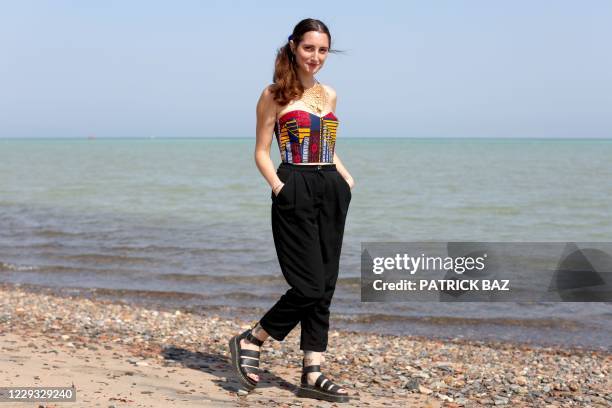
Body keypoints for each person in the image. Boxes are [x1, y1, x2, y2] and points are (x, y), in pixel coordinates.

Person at [228, 18, 354, 403]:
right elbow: (260, 151)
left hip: (330, 186)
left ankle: (311, 372)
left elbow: (327, 145)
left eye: (322, 50)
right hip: (294, 185)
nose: (315, 57)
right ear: (293, 47)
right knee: (308, 284)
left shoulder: (329, 94)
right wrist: (280, 187)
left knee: (326, 286)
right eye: (309, 48)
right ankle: (252, 339)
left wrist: (346, 179)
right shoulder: (273, 94)